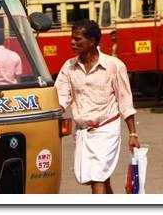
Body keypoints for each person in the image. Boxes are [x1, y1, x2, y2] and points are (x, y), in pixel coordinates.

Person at [55, 19, 139, 194]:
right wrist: (53, 112)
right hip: (83, 133)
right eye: (72, 38)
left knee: (97, 177)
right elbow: (61, 97)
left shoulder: (114, 66)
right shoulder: (69, 67)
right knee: (102, 177)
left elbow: (125, 101)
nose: (72, 42)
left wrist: (133, 134)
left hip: (107, 129)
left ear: (92, 42)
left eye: (78, 39)